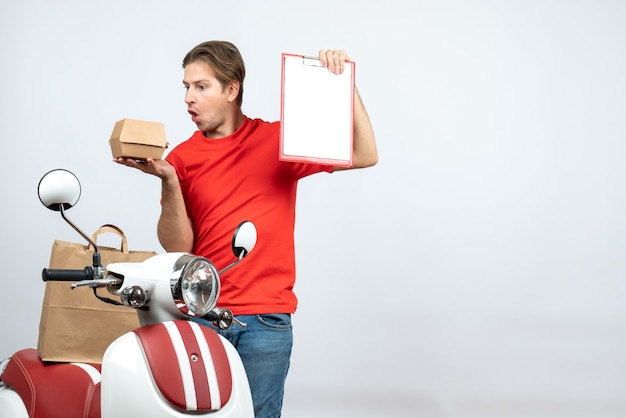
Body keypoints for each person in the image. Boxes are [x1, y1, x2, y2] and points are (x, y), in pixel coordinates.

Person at [114, 40, 378, 418]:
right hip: (202, 315)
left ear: (231, 89)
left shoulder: (278, 142)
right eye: (186, 87)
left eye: (201, 87)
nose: (189, 98)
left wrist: (345, 85)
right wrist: (169, 181)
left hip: (266, 322)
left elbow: (367, 154)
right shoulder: (181, 158)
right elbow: (179, 248)